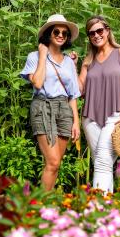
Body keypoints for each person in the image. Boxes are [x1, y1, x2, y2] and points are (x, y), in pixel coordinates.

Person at [78, 15, 120, 193]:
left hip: (117, 116)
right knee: (102, 163)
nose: (96, 35)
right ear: (89, 37)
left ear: (107, 31)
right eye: (92, 33)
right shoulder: (88, 60)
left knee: (102, 162)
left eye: (100, 31)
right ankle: (109, 211)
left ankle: (98, 209)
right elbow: (79, 90)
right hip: (90, 118)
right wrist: (75, 65)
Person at [20, 14, 81, 191]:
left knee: (55, 164)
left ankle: (47, 205)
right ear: (48, 33)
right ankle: (41, 207)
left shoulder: (69, 61)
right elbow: (38, 83)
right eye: (56, 31)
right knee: (52, 162)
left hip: (64, 109)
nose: (61, 35)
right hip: (43, 106)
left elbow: (73, 94)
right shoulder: (34, 56)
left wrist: (76, 122)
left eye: (65, 33)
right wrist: (42, 55)